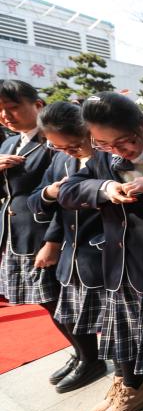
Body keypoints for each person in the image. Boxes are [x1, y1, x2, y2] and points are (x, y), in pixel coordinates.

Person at [57, 92, 143, 411]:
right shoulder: (102, 160)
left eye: (124, 142)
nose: (118, 151)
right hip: (116, 268)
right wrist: (106, 187)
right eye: (104, 144)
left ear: (142, 125)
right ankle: (129, 390)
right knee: (121, 339)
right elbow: (69, 191)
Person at [27, 102, 107, 395]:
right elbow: (36, 201)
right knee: (71, 313)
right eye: (58, 147)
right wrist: (51, 192)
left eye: (74, 145)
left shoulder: (108, 156)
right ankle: (85, 357)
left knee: (114, 326)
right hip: (72, 253)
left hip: (103, 254)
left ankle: (123, 380)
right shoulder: (61, 162)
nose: (68, 152)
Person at [0, 80, 69, 382]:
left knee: (56, 298)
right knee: (43, 300)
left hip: (42, 233)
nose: (6, 115)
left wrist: (53, 239)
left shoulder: (53, 142)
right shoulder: (6, 144)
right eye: (1, 110)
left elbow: (64, 197)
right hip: (14, 233)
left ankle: (89, 355)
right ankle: (80, 353)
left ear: (38, 106)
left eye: (13, 107)